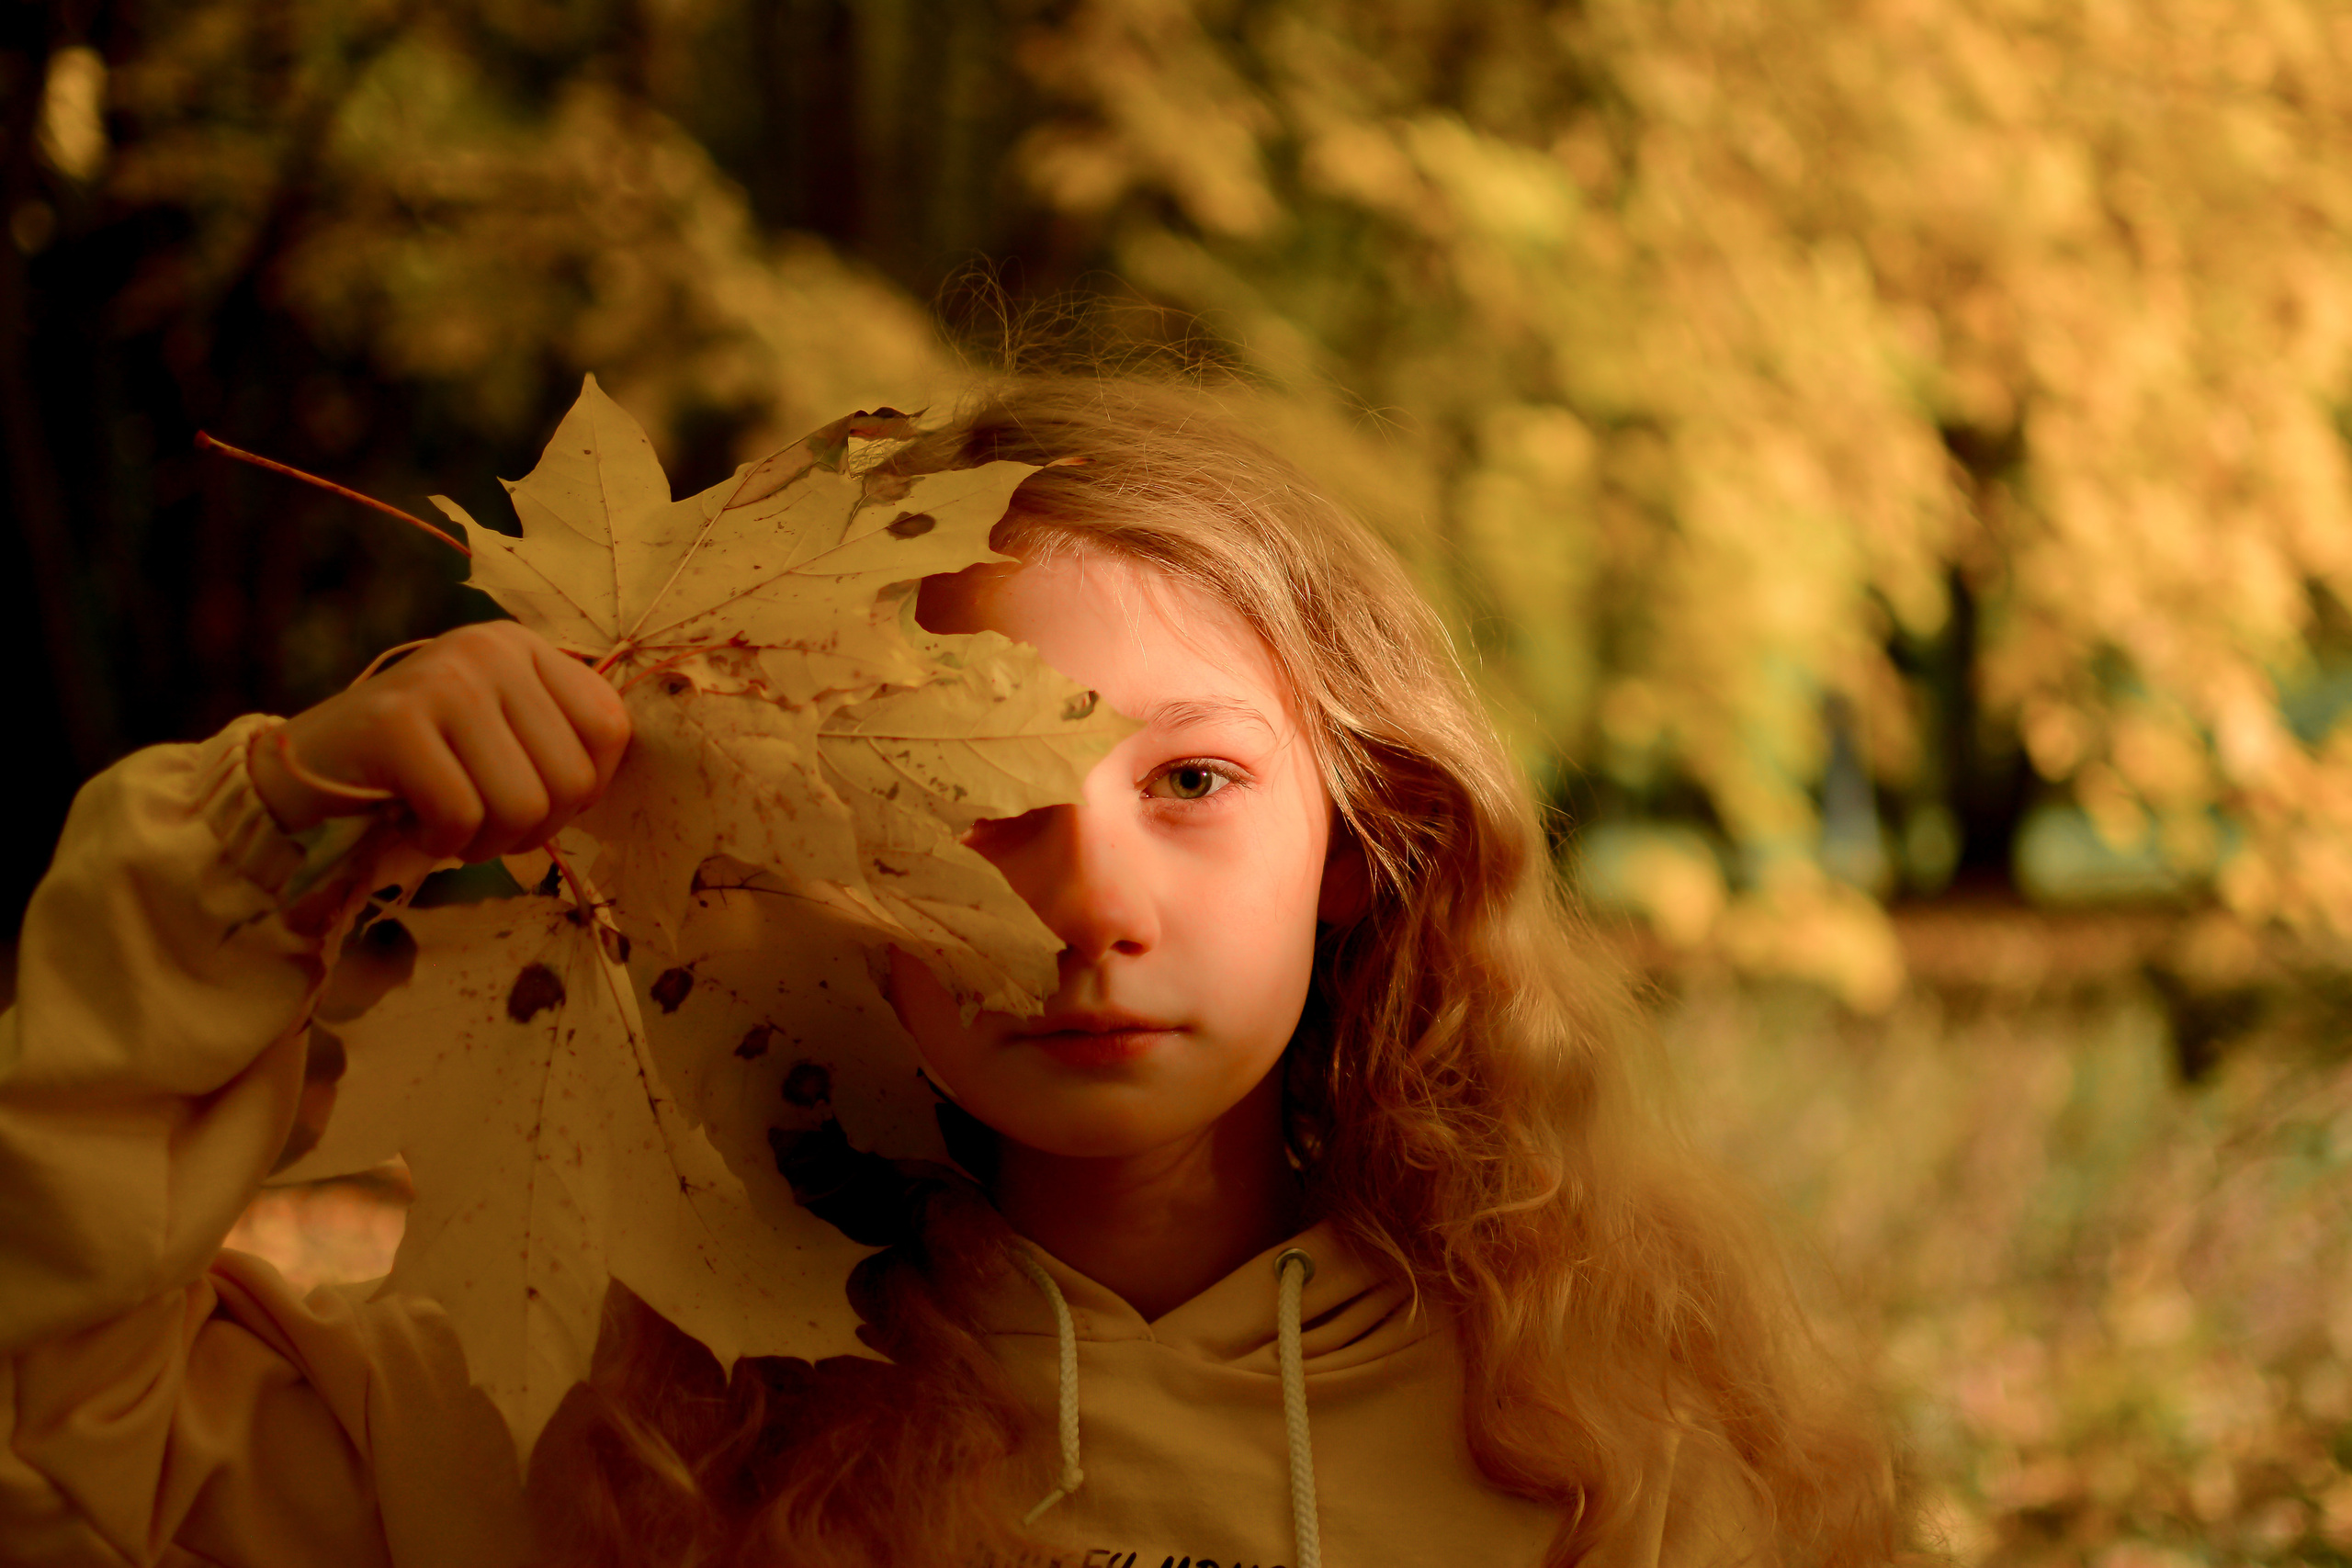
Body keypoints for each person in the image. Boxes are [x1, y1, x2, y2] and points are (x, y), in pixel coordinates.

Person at [0, 378, 1910, 1567]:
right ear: (829, 871)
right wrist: (276, 827)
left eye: (1190, 781)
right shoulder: (611, 1424)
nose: (1086, 905)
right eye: (967, 801)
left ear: (1363, 840)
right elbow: (65, 1416)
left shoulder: (1608, 1445)